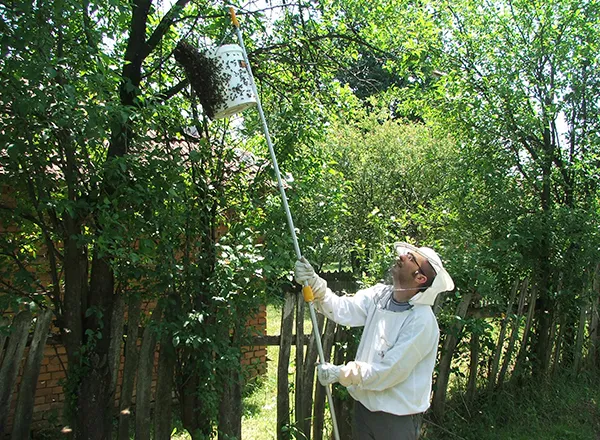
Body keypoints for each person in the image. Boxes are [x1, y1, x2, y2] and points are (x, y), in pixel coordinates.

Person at [294, 242, 454, 440]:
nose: (403, 256)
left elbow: (390, 372)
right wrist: (316, 284)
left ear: (420, 278)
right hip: (364, 409)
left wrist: (342, 373)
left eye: (411, 258)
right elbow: (344, 310)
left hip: (396, 420)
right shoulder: (380, 296)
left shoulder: (421, 321)